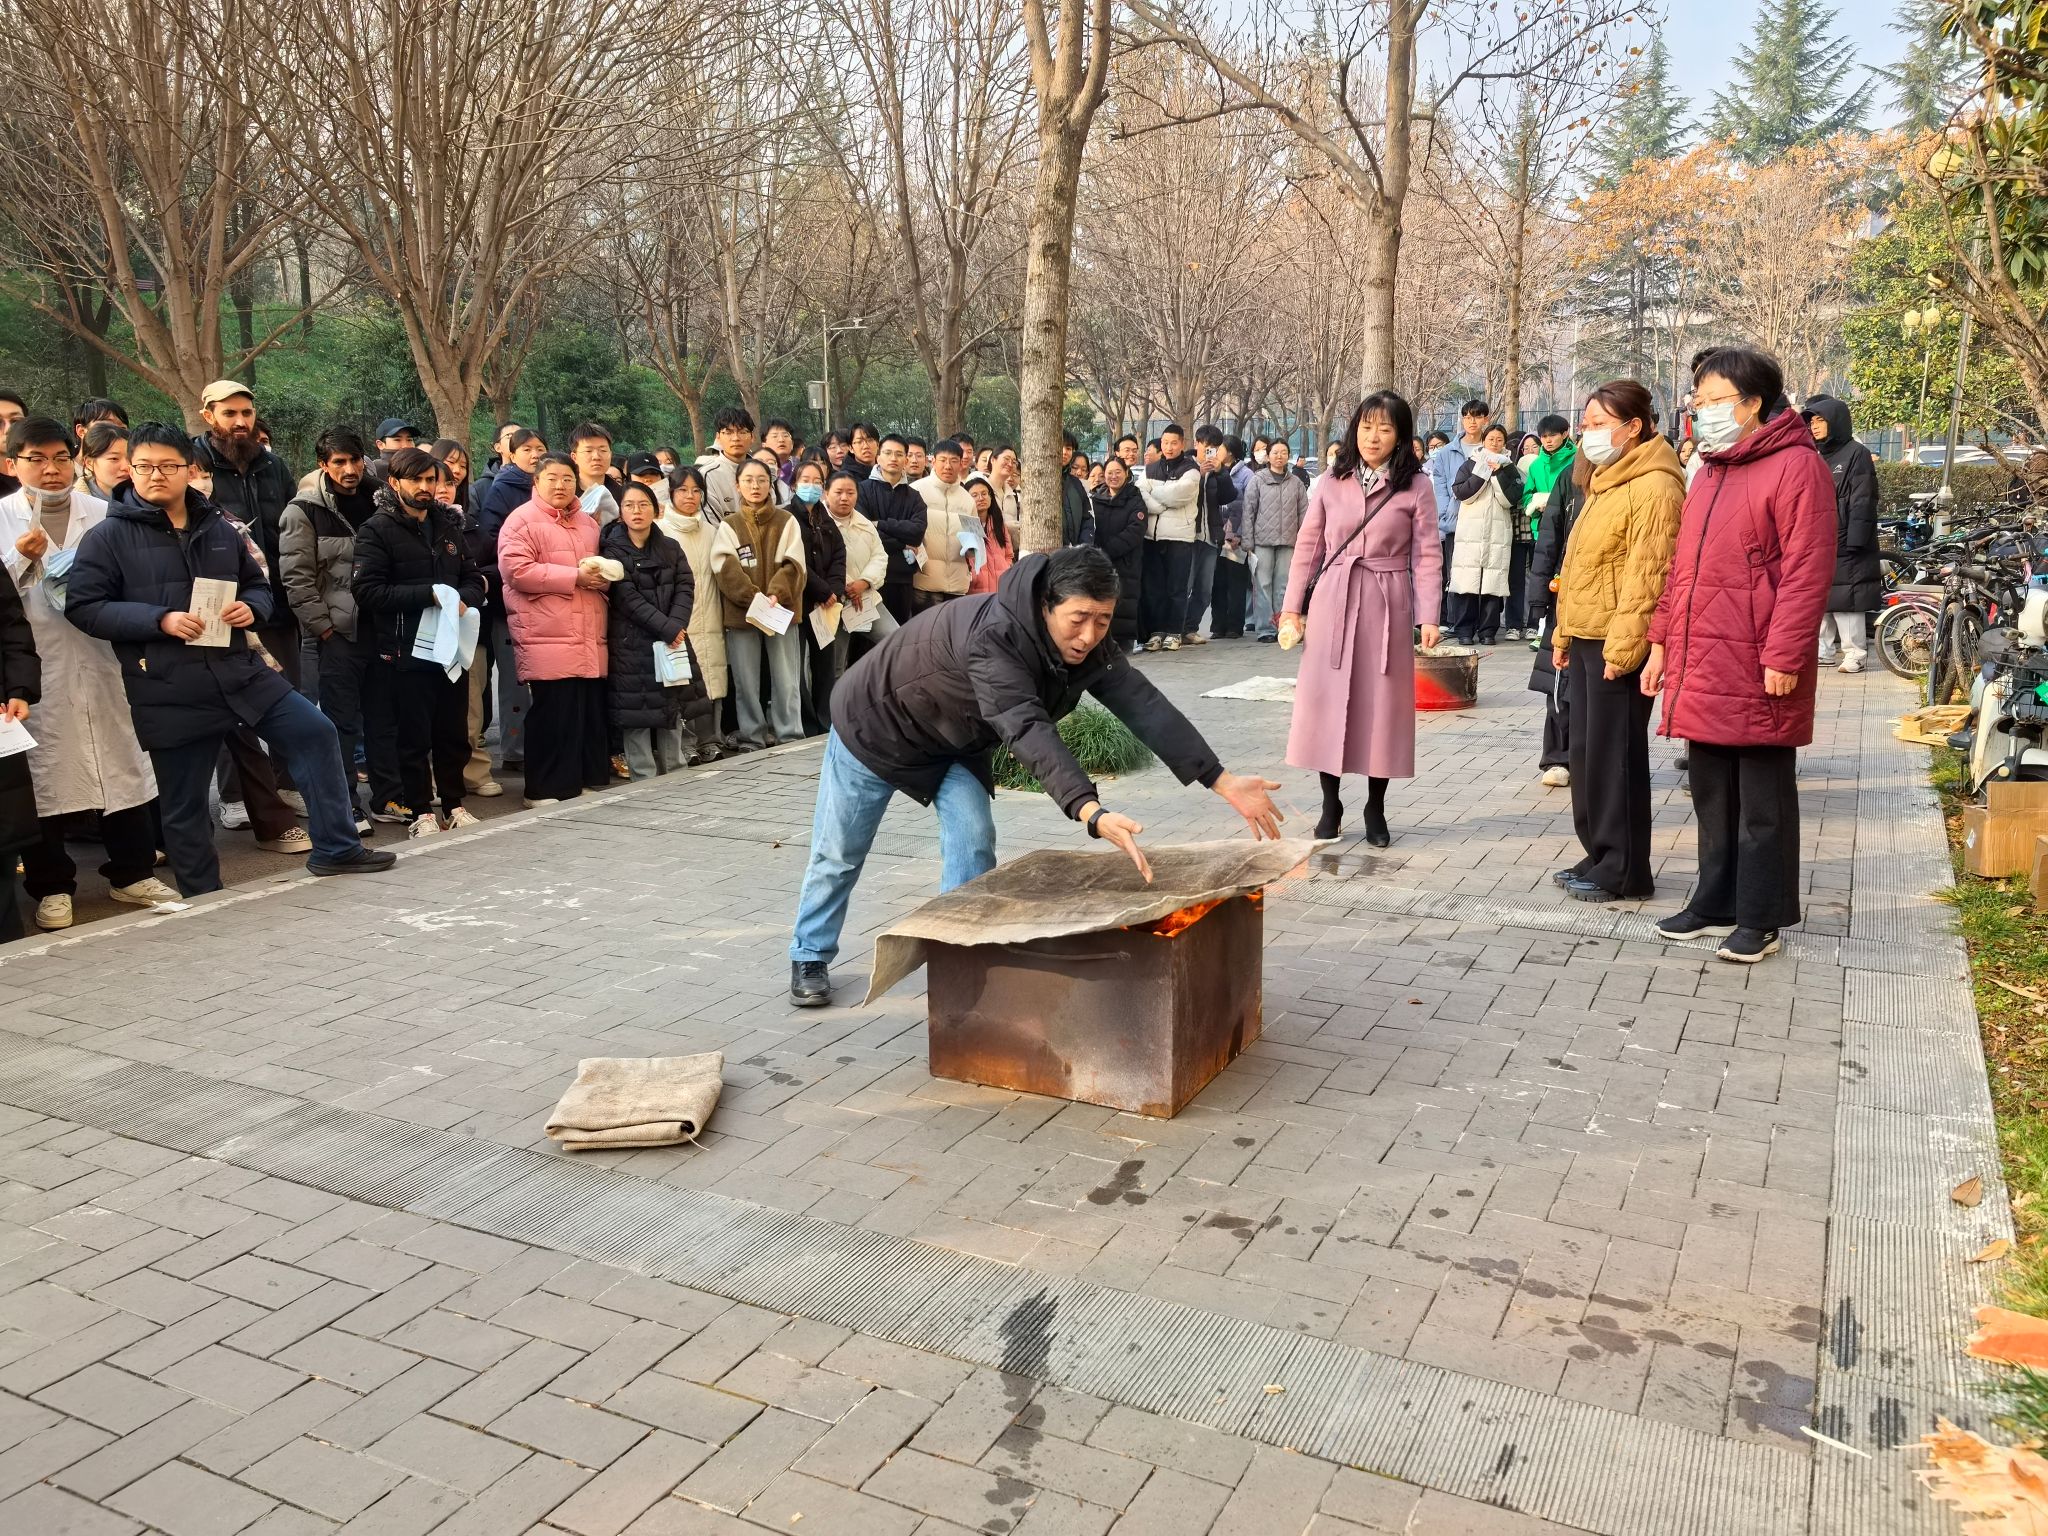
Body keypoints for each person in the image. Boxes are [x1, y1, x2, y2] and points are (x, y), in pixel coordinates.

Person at [786, 545, 1286, 1005]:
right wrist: (1090, 811)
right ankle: (810, 953)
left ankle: (959, 953)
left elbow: (1142, 703)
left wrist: (1220, 779)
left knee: (973, 840)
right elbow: (1027, 727)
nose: (1089, 635)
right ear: (1046, 605)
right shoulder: (994, 638)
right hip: (876, 726)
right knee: (840, 853)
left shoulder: (1088, 644)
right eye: (1078, 619)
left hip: (953, 739)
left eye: (1103, 620)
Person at [66, 423, 394, 893]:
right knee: (185, 802)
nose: (156, 475)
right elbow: (84, 606)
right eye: (144, 466)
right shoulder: (107, 537)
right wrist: (159, 620)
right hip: (168, 683)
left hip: (239, 670)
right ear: (131, 471)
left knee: (315, 732)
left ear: (189, 469)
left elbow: (259, 585)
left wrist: (251, 608)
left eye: (168, 466)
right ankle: (204, 897)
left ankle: (337, 849)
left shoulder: (219, 528)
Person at [1646, 346, 1835, 964]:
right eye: (1698, 400)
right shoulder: (1709, 469)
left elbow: (1807, 573)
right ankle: (1714, 901)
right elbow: (1682, 569)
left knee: (1761, 800)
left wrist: (1784, 655)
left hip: (1758, 657)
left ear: (1753, 403)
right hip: (1704, 656)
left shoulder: (1796, 467)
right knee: (1711, 792)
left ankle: (1760, 916)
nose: (1701, 410)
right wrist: (1661, 643)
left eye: (1714, 399)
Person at [0, 419, 173, 929]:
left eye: (60, 457)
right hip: (38, 666)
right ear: (12, 464)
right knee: (45, 773)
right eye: (36, 459)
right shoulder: (2, 518)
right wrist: (17, 559)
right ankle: (52, 885)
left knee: (121, 763)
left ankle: (132, 872)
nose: (51, 469)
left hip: (104, 659)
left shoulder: (103, 514)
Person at [1279, 392, 1443, 846]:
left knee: (1382, 705)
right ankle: (1330, 804)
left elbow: (1428, 555)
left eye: (1385, 429)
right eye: (1367, 427)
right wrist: (1292, 608)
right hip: (1333, 597)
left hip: (1387, 600)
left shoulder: (1416, 486)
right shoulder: (1332, 480)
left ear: (1400, 437)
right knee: (1327, 701)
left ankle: (1376, 806)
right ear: (1355, 430)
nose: (1373, 437)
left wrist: (1429, 615)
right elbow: (1309, 547)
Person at [1548, 382, 1685, 903]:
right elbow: (1579, 564)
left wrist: (1626, 649)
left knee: (1616, 757)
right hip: (1587, 633)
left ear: (1634, 427)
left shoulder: (1656, 486)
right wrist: (1563, 632)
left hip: (1617, 642)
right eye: (1586, 424)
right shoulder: (1605, 479)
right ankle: (1600, 851)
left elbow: (1649, 575)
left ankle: (1625, 869)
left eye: (1600, 424)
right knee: (1586, 753)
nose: (1589, 433)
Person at [352, 447, 485, 837]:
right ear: (394, 483)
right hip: (404, 651)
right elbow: (367, 591)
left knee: (453, 733)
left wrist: (463, 598)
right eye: (417, 480)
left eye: (431, 480)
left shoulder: (449, 525)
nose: (426, 487)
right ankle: (420, 811)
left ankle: (454, 804)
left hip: (451, 650)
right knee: (412, 737)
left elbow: (473, 577)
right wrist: (429, 594)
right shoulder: (376, 529)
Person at [281, 427, 391, 831]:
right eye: (339, 462)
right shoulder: (304, 510)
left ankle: (389, 797)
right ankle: (348, 806)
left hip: (383, 625)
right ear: (323, 465)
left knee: (384, 718)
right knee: (341, 724)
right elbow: (297, 579)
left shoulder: (384, 500)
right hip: (337, 633)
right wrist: (324, 629)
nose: (349, 469)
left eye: (355, 460)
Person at [498, 452, 610, 806]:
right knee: (552, 713)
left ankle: (575, 782)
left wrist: (603, 578)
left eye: (567, 478)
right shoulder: (521, 520)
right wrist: (574, 577)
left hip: (587, 631)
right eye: (552, 478)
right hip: (546, 632)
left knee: (582, 712)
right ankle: (541, 789)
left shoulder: (588, 523)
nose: (560, 485)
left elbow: (600, 569)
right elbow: (516, 571)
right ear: (536, 482)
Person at [191, 379, 300, 715]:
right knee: (236, 715)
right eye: (229, 413)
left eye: (247, 413)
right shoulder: (194, 464)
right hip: (223, 611)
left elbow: (293, 531)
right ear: (208, 416)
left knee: (290, 703)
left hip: (278, 604)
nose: (240, 421)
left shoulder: (273, 465)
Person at [604, 481, 708, 777]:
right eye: (629, 505)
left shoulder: (671, 547)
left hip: (671, 640)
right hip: (631, 645)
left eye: (643, 504)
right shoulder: (612, 549)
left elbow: (685, 586)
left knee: (671, 708)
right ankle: (643, 778)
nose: (636, 511)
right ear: (621, 512)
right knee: (635, 714)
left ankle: (676, 772)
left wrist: (676, 626)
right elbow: (626, 597)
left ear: (656, 509)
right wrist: (667, 628)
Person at [712, 458, 806, 748]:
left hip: (781, 611)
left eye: (762, 480)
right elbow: (724, 567)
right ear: (737, 485)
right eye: (748, 480)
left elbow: (795, 565)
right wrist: (752, 596)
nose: (755, 486)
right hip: (742, 614)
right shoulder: (729, 525)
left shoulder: (786, 521)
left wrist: (776, 594)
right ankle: (752, 736)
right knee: (746, 680)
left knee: (787, 678)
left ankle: (789, 733)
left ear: (771, 483)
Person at [658, 467, 737, 764]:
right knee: (682, 682)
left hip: (712, 614)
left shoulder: (712, 532)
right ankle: (686, 744)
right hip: (679, 619)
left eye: (695, 491)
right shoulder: (661, 531)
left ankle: (710, 740)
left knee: (712, 678)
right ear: (671, 493)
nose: (689, 496)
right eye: (682, 490)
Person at [1801, 394, 1881, 674]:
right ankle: (1822, 652)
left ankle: (1854, 654)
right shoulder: (1814, 453)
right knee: (1820, 599)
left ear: (1835, 421)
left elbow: (1863, 498)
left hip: (1847, 539)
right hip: (1817, 539)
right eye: (1811, 421)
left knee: (1848, 601)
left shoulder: (1856, 453)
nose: (1814, 426)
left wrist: (1856, 539)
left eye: (1820, 420)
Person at [1525, 431, 1585, 787]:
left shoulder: (1638, 478)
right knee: (1559, 680)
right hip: (1566, 592)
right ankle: (1558, 756)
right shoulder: (1570, 477)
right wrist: (1538, 595)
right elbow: (1549, 538)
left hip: (1616, 602)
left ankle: (1593, 757)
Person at [1447, 424, 1522, 645]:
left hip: (1497, 533)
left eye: (1499, 440)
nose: (1495, 443)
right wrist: (1483, 471)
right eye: (1491, 439)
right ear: (1483, 441)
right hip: (1470, 533)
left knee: (1493, 584)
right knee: (1466, 583)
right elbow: (1462, 493)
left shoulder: (1509, 468)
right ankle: (1464, 631)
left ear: (1504, 443)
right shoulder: (1470, 464)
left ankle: (1488, 631)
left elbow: (1511, 499)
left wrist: (1498, 473)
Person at [794, 460, 847, 732]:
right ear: (794, 483)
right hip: (799, 602)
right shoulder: (788, 517)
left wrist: (834, 591)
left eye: (817, 482)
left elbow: (839, 555)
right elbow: (796, 562)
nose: (811, 486)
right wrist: (822, 590)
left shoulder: (825, 518)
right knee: (798, 667)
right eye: (805, 480)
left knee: (825, 663)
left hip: (825, 605)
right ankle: (806, 721)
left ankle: (826, 719)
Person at [1426, 401, 1488, 634]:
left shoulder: (1490, 448)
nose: (1472, 421)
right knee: (1456, 572)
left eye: (1477, 416)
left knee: (1482, 573)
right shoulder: (1446, 453)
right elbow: (1440, 487)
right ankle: (1456, 621)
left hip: (1483, 520)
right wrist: (1444, 514)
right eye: (1468, 417)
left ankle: (1482, 624)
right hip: (1455, 522)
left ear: (1486, 419)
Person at [1138, 424, 1201, 650]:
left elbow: (1179, 495)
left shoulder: (1191, 470)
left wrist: (1154, 493)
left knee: (1177, 588)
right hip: (1152, 537)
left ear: (1182, 444)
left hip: (1179, 537)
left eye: (1174, 443)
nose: (1169, 447)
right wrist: (1159, 504)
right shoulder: (1150, 469)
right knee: (1154, 588)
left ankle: (1174, 632)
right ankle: (1157, 632)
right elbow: (1139, 494)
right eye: (1165, 443)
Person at [1516, 416, 1576, 641]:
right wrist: (1535, 503)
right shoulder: (1535, 465)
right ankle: (1541, 629)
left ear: (1565, 434)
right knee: (1541, 578)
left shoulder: (1577, 461)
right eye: (1544, 437)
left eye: (1553, 435)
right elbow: (1526, 496)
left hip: (1569, 527)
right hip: (1542, 528)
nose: (1548, 441)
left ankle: (1563, 627)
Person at [826, 466, 895, 652]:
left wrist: (864, 582)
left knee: (895, 638)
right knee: (836, 661)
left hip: (866, 596)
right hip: (832, 600)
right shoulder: (819, 524)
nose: (844, 498)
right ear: (826, 493)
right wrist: (849, 587)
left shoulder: (864, 523)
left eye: (850, 493)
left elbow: (880, 556)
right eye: (838, 492)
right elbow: (821, 562)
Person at [1244, 439, 1307, 642]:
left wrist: (1304, 543)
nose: (1279, 456)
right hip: (1262, 542)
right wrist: (1248, 542)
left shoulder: (1296, 483)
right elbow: (1248, 512)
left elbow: (1304, 514)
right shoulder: (1257, 480)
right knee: (1262, 585)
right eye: (1275, 452)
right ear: (1268, 456)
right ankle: (1265, 629)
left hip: (1288, 542)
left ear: (1288, 455)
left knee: (1283, 586)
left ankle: (1282, 626)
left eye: (1283, 452)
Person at [860, 434, 924, 623]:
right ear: (878, 457)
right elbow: (865, 534)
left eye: (899, 454)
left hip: (902, 579)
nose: (893, 458)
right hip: (868, 578)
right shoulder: (862, 490)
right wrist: (902, 543)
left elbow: (917, 533)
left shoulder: (914, 497)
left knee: (899, 633)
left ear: (906, 460)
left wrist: (880, 524)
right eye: (888, 453)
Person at [910, 439, 977, 611]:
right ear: (933, 461)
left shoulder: (967, 499)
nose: (948, 466)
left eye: (954, 461)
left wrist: (974, 546)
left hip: (957, 586)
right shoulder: (916, 491)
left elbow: (975, 537)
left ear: (961, 463)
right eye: (943, 460)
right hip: (924, 584)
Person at [1090, 455, 1145, 652]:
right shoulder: (1095, 499)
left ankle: (1124, 647)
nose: (1113, 476)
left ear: (1127, 473)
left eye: (1118, 472)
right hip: (1099, 564)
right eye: (1109, 472)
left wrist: (1107, 550)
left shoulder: (1135, 500)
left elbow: (1135, 531)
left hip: (1125, 564)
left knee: (1123, 604)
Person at [1208, 434, 1250, 640]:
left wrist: (1240, 533)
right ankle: (1218, 625)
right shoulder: (1212, 471)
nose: (1216, 451)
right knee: (1217, 582)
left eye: (1220, 448)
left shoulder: (1246, 475)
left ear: (1231, 452)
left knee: (1236, 582)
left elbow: (1249, 508)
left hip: (1235, 538)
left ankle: (1234, 626)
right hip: (1216, 535)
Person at [963, 473, 1014, 595]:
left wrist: (1006, 571)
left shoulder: (999, 524)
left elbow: (1009, 555)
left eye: (984, 493)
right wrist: (974, 575)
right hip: (975, 590)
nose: (981, 498)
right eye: (974, 495)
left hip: (1000, 589)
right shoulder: (964, 525)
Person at [703, 407, 757, 521]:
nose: (736, 438)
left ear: (752, 437)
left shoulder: (762, 471)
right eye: (728, 432)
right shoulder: (707, 475)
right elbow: (712, 522)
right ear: (718, 437)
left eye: (742, 432)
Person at [79, 421, 129, 501]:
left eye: (130, 458)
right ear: (89, 463)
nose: (126, 467)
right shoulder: (74, 503)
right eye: (114, 458)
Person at [1061, 432, 1094, 546]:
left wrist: (1082, 546)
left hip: (1075, 550)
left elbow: (1087, 518)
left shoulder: (1076, 484)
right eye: (1060, 446)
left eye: (1068, 448)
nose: (1064, 452)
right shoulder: (1041, 480)